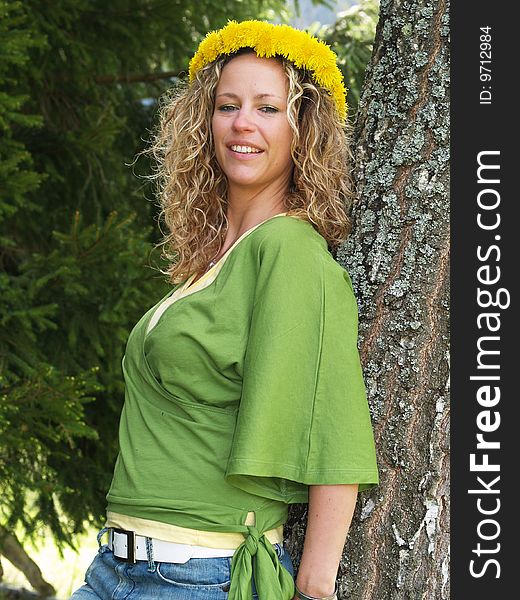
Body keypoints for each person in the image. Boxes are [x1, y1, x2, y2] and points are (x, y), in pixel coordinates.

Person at [71, 19, 378, 600]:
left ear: (302, 129)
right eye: (227, 104)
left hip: (198, 576)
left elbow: (332, 426)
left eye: (268, 108)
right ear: (203, 120)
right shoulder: (212, 258)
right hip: (115, 569)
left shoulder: (288, 250)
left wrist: (314, 587)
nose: (243, 123)